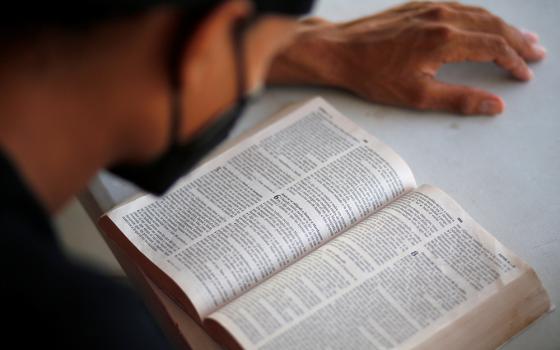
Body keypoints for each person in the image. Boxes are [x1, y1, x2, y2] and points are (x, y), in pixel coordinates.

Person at [1, 0, 546, 348]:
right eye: (260, 64)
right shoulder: (82, 327)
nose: (255, 81)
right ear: (206, 38)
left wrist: (299, 45)